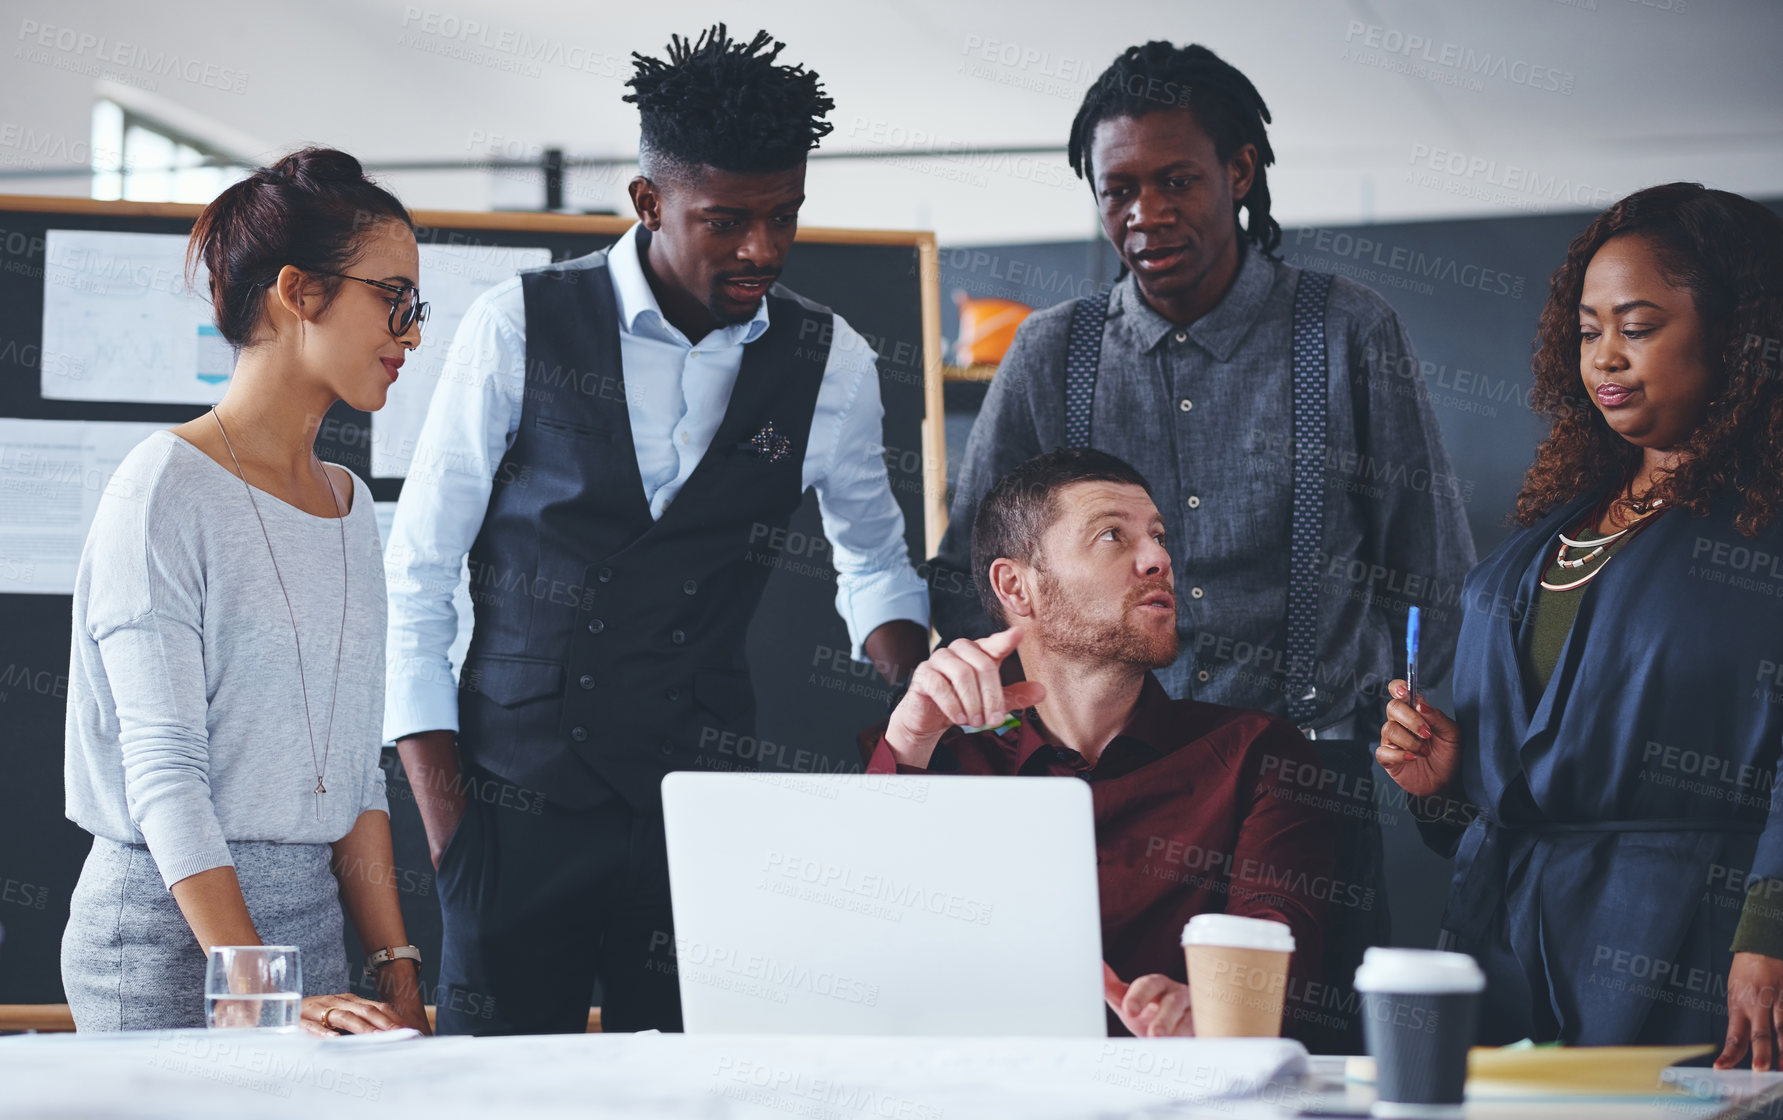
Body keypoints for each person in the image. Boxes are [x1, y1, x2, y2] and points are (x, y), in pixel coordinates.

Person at [384, 24, 930, 1036]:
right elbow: (414, 578)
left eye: (784, 216)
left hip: (704, 813)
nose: (761, 248)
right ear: (647, 201)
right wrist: (453, 836)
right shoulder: (518, 325)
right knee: (502, 1108)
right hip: (515, 810)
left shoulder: (832, 361)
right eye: (725, 221)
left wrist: (920, 695)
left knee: (700, 1094)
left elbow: (875, 561)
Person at [926, 39, 1475, 1043]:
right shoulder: (1052, 352)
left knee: (1305, 1081)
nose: (1145, 214)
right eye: (1117, 190)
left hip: (1310, 797)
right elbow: (976, 579)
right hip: (1099, 810)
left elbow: (1430, 570)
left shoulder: (1348, 331)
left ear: (1240, 170)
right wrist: (1006, 753)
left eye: (1175, 180)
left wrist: (1442, 790)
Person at [1376, 183, 1783, 1064]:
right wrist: (1449, 780)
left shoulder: (1762, 528)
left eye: (1636, 328)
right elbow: (1527, 753)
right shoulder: (1559, 522)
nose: (1605, 357)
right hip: (1508, 936)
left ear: (1736, 339)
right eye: (1588, 330)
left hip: (1690, 943)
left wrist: (1770, 930)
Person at [62, 148, 430, 1035]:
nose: (412, 333)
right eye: (394, 298)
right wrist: (256, 991)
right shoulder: (163, 488)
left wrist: (395, 966)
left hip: (311, 935)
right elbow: (165, 776)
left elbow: (353, 774)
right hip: (166, 940)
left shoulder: (350, 505)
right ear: (300, 293)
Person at [869, 449, 1345, 1048]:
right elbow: (859, 950)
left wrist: (1216, 1013)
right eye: (1112, 536)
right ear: (1017, 585)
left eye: (1159, 536)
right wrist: (907, 744)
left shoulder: (1257, 755)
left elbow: (1277, 947)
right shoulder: (942, 765)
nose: (1159, 559)